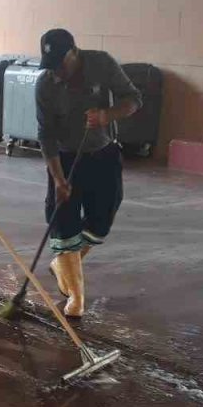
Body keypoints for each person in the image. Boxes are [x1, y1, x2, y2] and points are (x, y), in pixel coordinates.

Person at [35, 29, 141, 318]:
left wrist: (107, 115)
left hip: (103, 153)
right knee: (65, 223)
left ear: (74, 52)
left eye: (60, 63)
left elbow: (133, 99)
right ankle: (77, 298)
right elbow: (46, 137)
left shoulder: (102, 63)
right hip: (65, 159)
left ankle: (63, 264)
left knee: (101, 220)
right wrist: (58, 179)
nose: (56, 72)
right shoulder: (45, 85)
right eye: (51, 65)